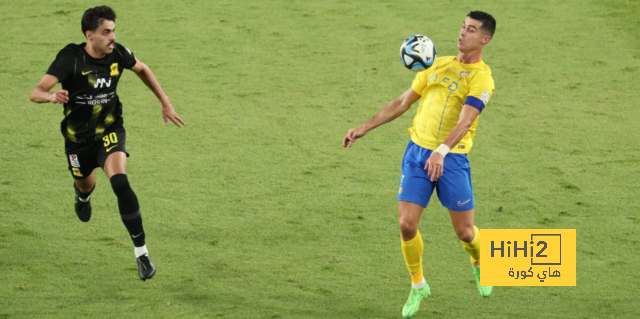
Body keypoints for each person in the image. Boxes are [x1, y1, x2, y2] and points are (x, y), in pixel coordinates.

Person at [343, 11, 497, 318]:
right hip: (417, 155)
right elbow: (402, 102)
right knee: (406, 224)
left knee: (466, 233)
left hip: (451, 159)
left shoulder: (482, 78)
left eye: (470, 30)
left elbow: (466, 121)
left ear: (485, 39)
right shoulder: (437, 65)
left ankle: (481, 263)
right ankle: (418, 286)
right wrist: (364, 127)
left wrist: (441, 151)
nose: (462, 33)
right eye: (462, 27)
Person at [29, 5, 185, 281]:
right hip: (78, 141)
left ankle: (142, 254)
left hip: (110, 131)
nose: (112, 37)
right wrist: (51, 97)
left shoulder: (119, 53)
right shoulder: (70, 59)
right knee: (85, 183)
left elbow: (142, 68)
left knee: (120, 183)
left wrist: (165, 102)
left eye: (113, 31)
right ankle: (83, 196)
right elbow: (36, 92)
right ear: (90, 35)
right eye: (106, 32)